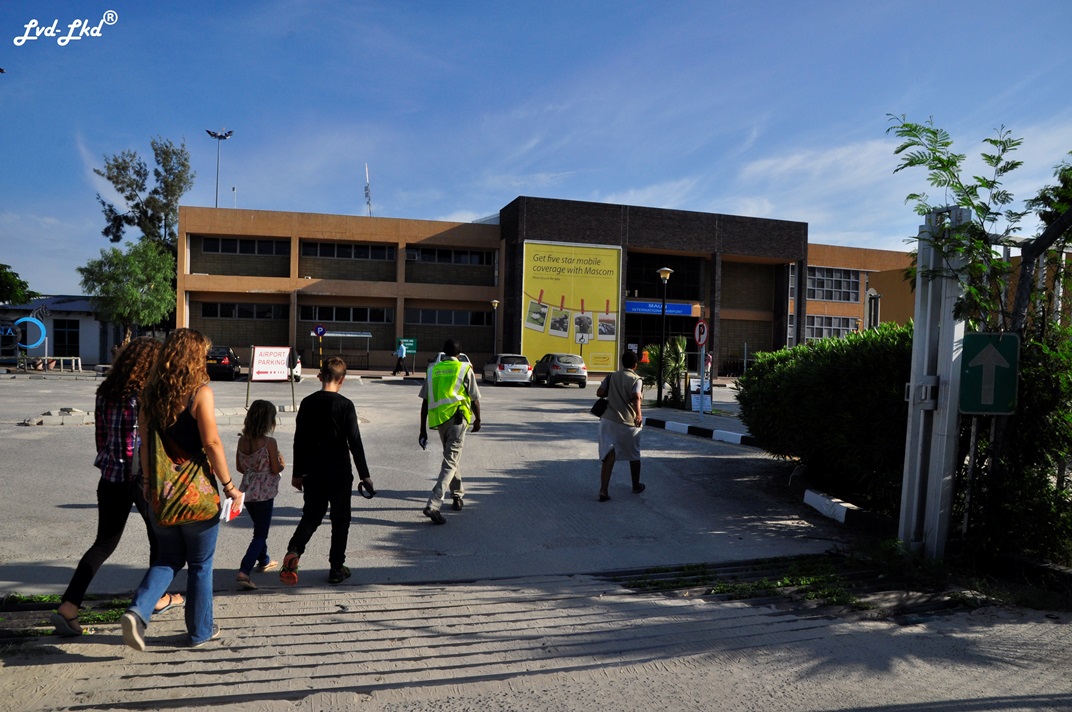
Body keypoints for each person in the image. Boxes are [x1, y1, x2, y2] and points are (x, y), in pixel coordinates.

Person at [51, 337, 184, 637]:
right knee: (161, 541)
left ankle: (69, 606)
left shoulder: (105, 392)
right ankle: (154, 599)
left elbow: (100, 437)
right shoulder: (149, 395)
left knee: (103, 544)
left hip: (111, 477)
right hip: (143, 478)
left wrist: (113, 461)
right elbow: (159, 439)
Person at [120, 329, 236, 650]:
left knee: (168, 558)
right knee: (200, 565)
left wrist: (147, 484)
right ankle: (200, 631)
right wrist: (230, 486)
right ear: (195, 357)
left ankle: (138, 610)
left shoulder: (149, 395)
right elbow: (211, 443)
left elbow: (145, 445)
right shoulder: (200, 393)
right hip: (197, 498)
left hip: (162, 495)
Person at [281, 356, 375, 586]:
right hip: (339, 472)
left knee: (312, 515)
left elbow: (299, 441)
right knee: (340, 520)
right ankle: (336, 568)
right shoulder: (346, 405)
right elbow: (355, 442)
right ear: (342, 379)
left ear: (321, 376)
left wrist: (297, 473)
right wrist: (364, 475)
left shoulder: (307, 403)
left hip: (313, 472)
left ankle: (294, 550)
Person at [418, 338, 481, 524]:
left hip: (440, 421)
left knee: (451, 458)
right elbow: (475, 399)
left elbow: (425, 402)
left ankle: (457, 495)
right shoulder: (464, 368)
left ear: (444, 352)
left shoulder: (433, 370)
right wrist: (478, 420)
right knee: (450, 461)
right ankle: (433, 504)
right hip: (458, 420)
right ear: (459, 353)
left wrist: (422, 429)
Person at [234, 400, 285, 590]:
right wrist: (282, 463)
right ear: (268, 421)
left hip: (247, 490)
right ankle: (244, 571)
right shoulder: (269, 443)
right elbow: (275, 468)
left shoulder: (242, 441)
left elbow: (240, 467)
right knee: (261, 533)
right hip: (264, 492)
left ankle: (264, 560)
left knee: (259, 527)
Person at [596, 350, 645, 502]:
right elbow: (636, 396)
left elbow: (600, 392)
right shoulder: (636, 379)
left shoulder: (611, 376)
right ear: (635, 365)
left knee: (608, 455)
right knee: (634, 455)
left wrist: (613, 391)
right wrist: (639, 414)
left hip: (608, 420)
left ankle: (603, 490)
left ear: (622, 363)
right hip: (628, 423)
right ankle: (636, 485)